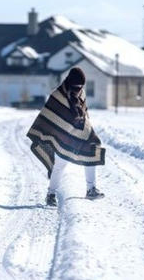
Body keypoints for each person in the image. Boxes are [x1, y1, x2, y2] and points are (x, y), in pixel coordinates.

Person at [27, 67, 106, 206]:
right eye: (76, 86)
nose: (78, 88)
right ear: (70, 82)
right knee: (60, 165)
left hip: (81, 133)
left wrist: (86, 127)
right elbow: (49, 115)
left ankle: (91, 189)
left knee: (91, 152)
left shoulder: (81, 93)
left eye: (81, 86)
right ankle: (51, 194)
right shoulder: (57, 95)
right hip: (64, 135)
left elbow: (84, 112)